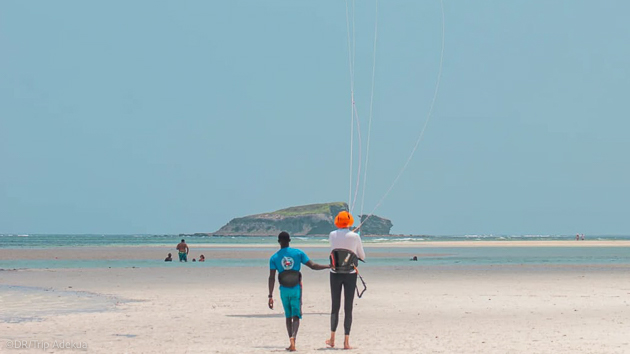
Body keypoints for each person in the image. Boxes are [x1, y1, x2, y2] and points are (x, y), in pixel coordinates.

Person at [268, 231, 329, 352]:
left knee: (288, 316)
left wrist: (270, 295)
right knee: (296, 316)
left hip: (284, 290)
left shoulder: (274, 257)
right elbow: (313, 266)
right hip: (296, 288)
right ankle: (293, 338)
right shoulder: (298, 253)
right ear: (289, 241)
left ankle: (290, 340)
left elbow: (271, 277)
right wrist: (328, 266)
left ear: (279, 242)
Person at [326, 211, 366, 350]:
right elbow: (362, 255)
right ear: (350, 222)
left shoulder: (332, 234)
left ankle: (332, 338)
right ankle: (346, 342)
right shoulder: (355, 237)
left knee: (335, 306)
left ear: (337, 221)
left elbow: (338, 241)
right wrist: (355, 239)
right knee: (348, 307)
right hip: (350, 274)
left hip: (334, 273)